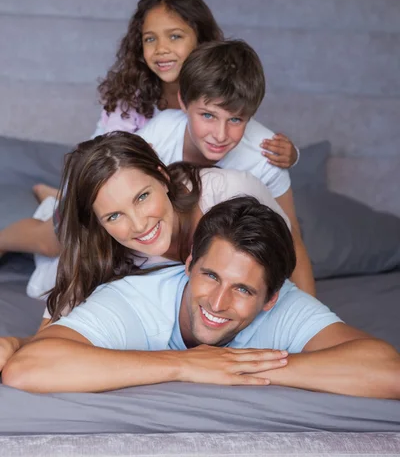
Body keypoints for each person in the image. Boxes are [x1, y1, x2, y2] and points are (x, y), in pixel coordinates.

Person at [0, 0, 297, 260]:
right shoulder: (133, 103)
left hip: (162, 202)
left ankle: (51, 195)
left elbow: (243, 130)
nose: (162, 48)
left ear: (203, 43)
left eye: (175, 36)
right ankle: (14, 231)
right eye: (150, 39)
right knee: (57, 241)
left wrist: (292, 153)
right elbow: (104, 165)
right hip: (108, 181)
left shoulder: (218, 97)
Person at [3, 195, 399, 398]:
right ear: (188, 263)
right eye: (210, 275)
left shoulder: (287, 305)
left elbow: (389, 372)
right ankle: (47, 202)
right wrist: (184, 365)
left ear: (270, 299)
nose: (217, 302)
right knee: (51, 239)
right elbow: (28, 369)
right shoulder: (134, 299)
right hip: (55, 264)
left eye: (243, 289)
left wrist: (234, 366)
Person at [0, 132, 290, 368]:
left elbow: (288, 253)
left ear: (163, 178)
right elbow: (50, 341)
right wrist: (16, 344)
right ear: (100, 224)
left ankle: (54, 198)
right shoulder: (99, 251)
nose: (139, 225)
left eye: (142, 197)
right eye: (114, 215)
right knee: (51, 241)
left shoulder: (232, 192)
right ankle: (36, 213)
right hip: (61, 242)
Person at [136, 39, 315, 295]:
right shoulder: (160, 133)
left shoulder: (265, 155)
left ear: (250, 115)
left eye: (235, 119)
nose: (220, 135)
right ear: (184, 103)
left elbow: (292, 236)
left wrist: (310, 317)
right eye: (208, 115)